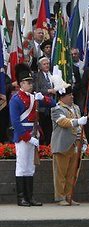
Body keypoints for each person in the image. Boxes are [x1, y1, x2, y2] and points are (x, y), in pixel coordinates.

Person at [9, 63, 56, 206]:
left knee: (30, 167)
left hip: (34, 134)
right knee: (22, 166)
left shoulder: (34, 97)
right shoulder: (15, 100)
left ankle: (30, 197)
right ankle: (21, 197)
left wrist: (44, 98)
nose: (31, 85)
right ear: (21, 84)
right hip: (23, 135)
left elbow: (52, 103)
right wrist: (28, 138)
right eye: (28, 82)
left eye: (31, 82)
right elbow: (15, 122)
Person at [50, 85, 88, 206]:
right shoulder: (56, 109)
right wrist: (77, 121)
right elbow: (63, 122)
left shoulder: (76, 108)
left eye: (72, 94)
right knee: (61, 173)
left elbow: (81, 127)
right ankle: (60, 196)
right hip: (62, 144)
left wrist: (85, 141)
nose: (72, 96)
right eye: (69, 95)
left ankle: (68, 195)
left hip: (75, 143)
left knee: (72, 172)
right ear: (62, 97)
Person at [34, 56, 56, 145]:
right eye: (44, 64)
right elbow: (36, 90)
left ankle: (49, 146)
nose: (47, 65)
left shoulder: (53, 75)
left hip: (52, 106)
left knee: (50, 128)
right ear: (40, 66)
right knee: (42, 127)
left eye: (47, 64)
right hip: (42, 107)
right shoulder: (37, 76)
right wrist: (48, 91)